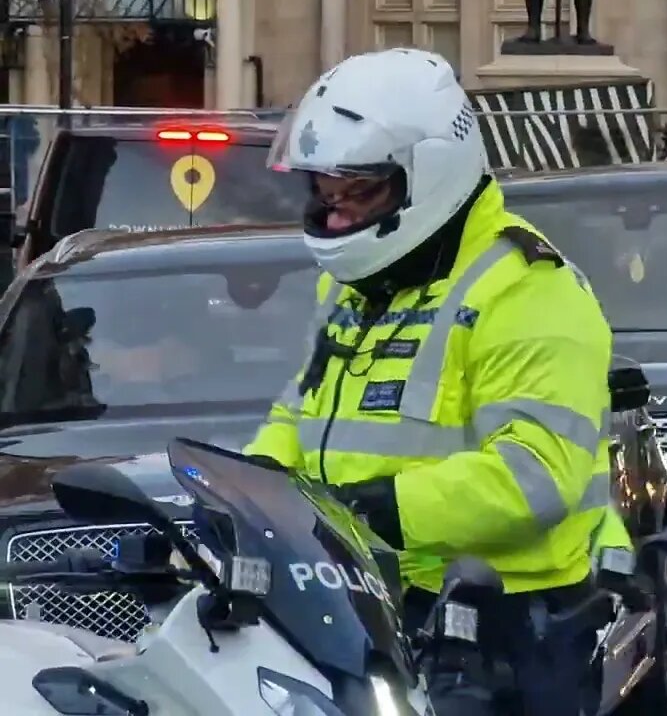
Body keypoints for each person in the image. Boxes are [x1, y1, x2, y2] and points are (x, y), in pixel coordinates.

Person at [241, 48, 625, 715]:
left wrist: (376, 508)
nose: (335, 217)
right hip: (372, 602)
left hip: (511, 625)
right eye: (327, 195)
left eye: (358, 192)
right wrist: (246, 498)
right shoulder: (353, 288)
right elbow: (298, 416)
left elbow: (536, 473)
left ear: (430, 175)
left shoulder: (527, 290)